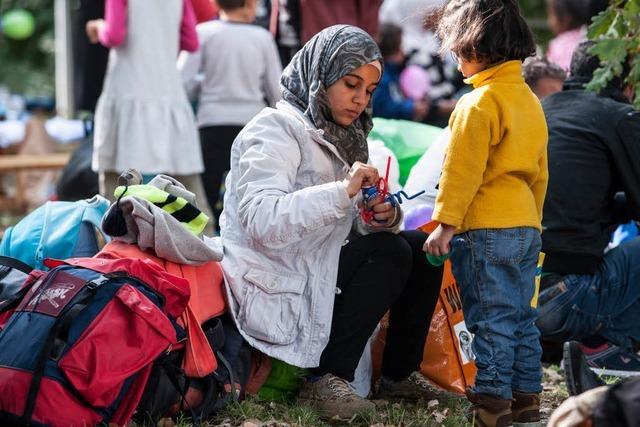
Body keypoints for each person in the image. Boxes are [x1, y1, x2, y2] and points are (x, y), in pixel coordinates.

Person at [219, 25, 444, 419]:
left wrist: (379, 217)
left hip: (312, 265)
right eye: (350, 84)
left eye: (369, 90)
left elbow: (337, 226)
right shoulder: (273, 129)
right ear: (320, 77)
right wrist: (342, 193)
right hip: (274, 277)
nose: (360, 100)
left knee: (415, 246)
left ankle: (398, 373)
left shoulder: (343, 135)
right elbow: (260, 219)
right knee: (388, 253)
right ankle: (324, 378)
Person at [424, 1, 547, 426]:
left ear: (477, 45)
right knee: (521, 317)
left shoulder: (477, 104)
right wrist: (535, 223)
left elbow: (461, 171)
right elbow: (540, 175)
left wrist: (445, 224)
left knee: (490, 319)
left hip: (485, 227)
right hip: (526, 225)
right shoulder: (529, 101)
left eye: (457, 47)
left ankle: (493, 407)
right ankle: (526, 400)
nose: (455, 57)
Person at [535, 41, 640, 382]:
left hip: (516, 299)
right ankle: (603, 344)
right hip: (568, 298)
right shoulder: (618, 116)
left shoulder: (543, 109)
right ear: (626, 81)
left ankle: (600, 348)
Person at [86, 0, 212, 231]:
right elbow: (191, 42)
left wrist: (98, 27)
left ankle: (112, 249)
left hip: (128, 87)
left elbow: (114, 36)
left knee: (116, 184)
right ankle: (206, 246)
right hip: (167, 91)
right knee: (185, 182)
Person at [178, 0, 282, 231]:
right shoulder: (262, 37)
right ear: (251, 4)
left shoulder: (203, 32)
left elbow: (182, 81)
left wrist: (203, 85)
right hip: (252, 125)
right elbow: (277, 90)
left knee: (205, 192)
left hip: (211, 123)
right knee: (248, 190)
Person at [372, 23, 429, 122]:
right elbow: (380, 107)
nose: (403, 51)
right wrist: (411, 107)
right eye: (400, 46)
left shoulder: (396, 70)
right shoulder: (380, 76)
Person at [545, 0, 608, 71]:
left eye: (551, 15)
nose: (549, 22)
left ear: (566, 18)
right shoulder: (590, 36)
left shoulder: (558, 45)